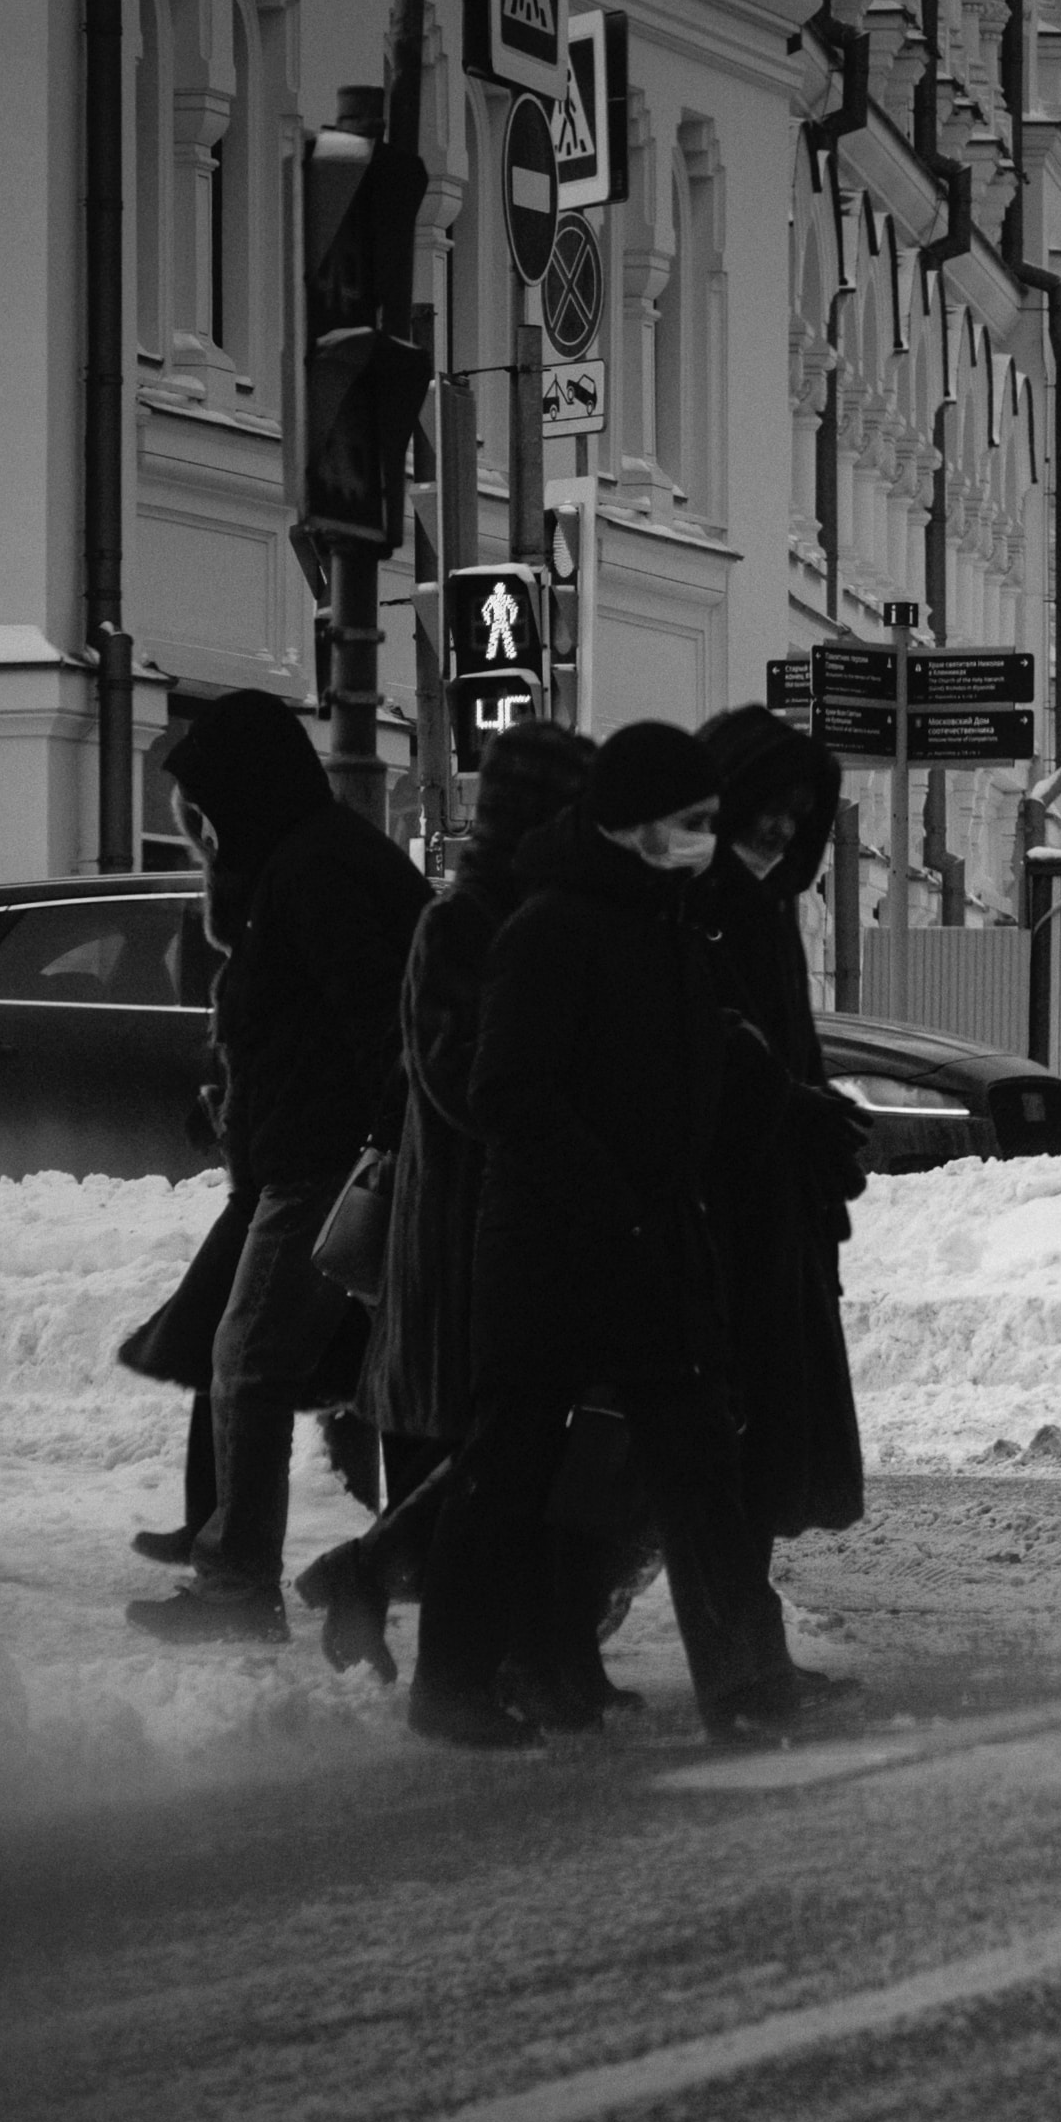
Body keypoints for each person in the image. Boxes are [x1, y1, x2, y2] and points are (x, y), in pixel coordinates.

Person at [408, 722, 795, 1749]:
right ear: (629, 824)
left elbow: (685, 1073)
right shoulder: (551, 928)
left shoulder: (664, 925)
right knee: (512, 1463)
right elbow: (507, 1091)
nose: (709, 840)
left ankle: (746, 1683)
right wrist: (614, 1195)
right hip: (551, 1244)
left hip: (650, 1237)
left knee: (697, 1461)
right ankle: (451, 1682)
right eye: (693, 822)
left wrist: (757, 1099)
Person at [294, 721, 596, 1683]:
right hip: (463, 1220)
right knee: (485, 1444)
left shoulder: (552, 911)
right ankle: (427, 1621)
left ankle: (522, 1648)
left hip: (522, 1212)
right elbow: (457, 1076)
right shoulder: (460, 922)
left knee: (529, 1444)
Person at [129, 690, 426, 1645]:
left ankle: (237, 1586)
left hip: (323, 1165)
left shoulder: (316, 872)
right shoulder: (304, 861)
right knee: (278, 1354)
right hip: (305, 1155)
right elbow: (288, 1021)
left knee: (250, 1359)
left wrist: (378, 1143)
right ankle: (275, 1555)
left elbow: (379, 1020)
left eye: (210, 800)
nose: (203, 824)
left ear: (247, 790)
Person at [690, 704, 871, 1708]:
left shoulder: (761, 906)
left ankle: (747, 1652)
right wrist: (792, 1112)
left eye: (797, 814)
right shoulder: (707, 905)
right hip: (725, 1216)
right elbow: (719, 1059)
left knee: (745, 1445)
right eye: (766, 807)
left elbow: (775, 1053)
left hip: (771, 1209)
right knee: (708, 1449)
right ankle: (736, 1663)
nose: (779, 830)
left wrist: (807, 1124)